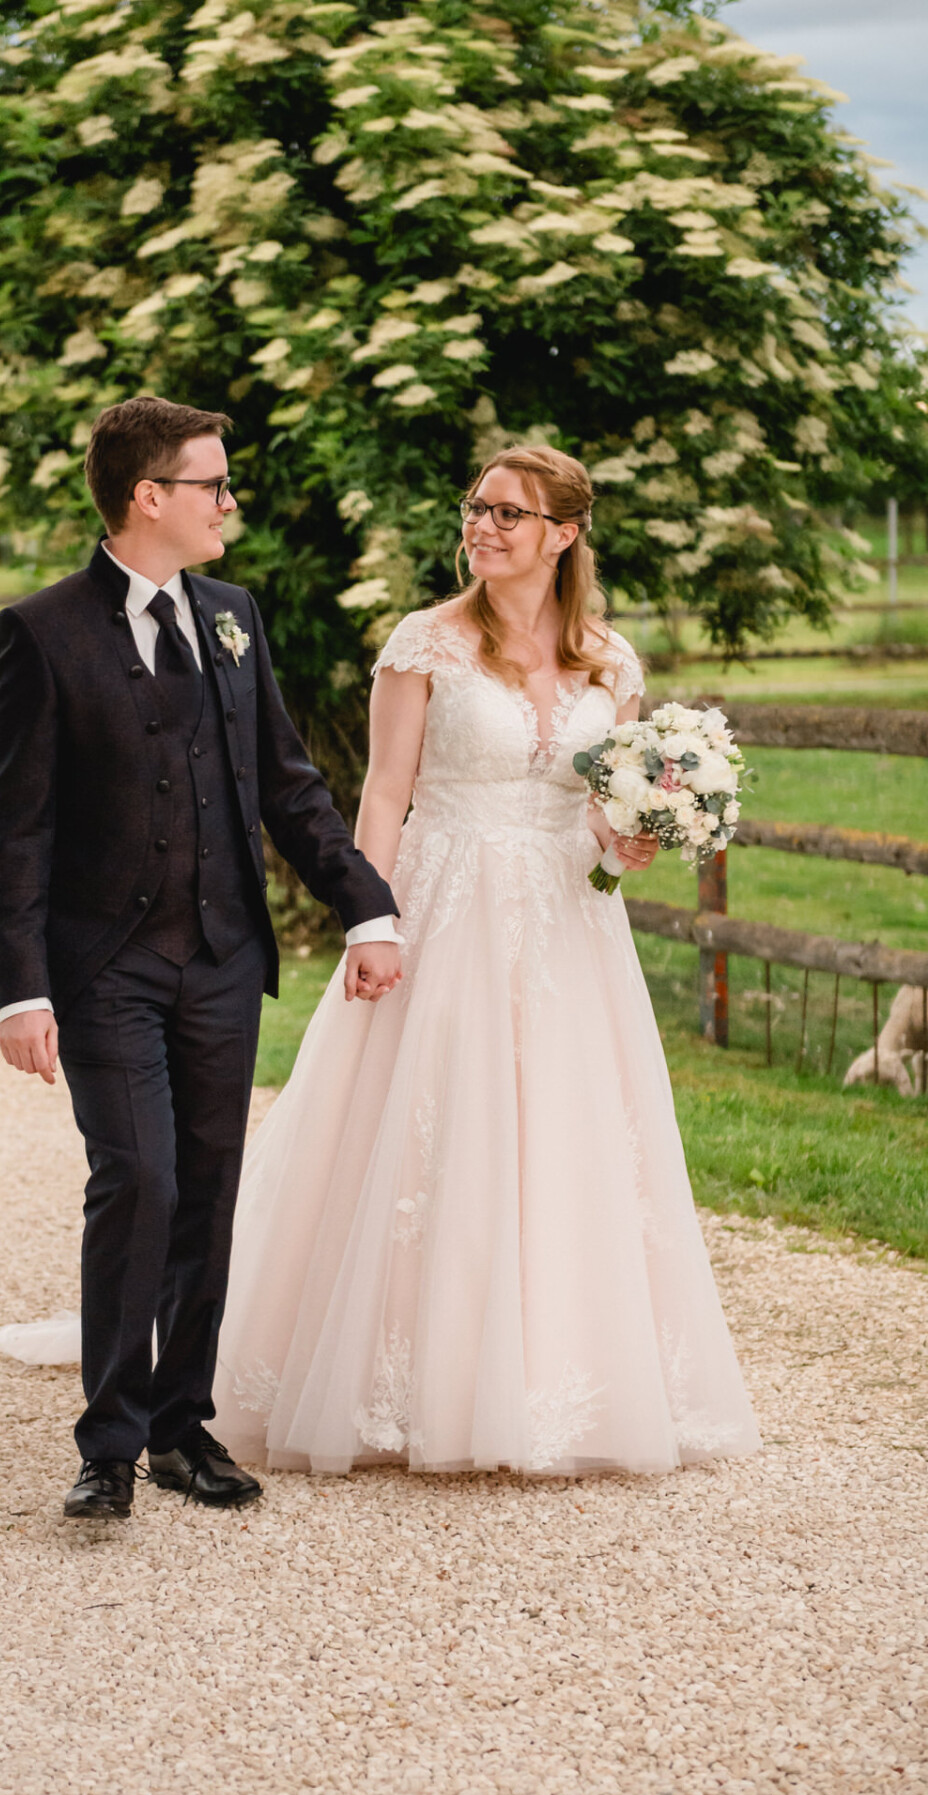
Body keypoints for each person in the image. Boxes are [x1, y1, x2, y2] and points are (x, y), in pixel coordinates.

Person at [210, 444, 761, 1476]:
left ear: (564, 534)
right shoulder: (426, 644)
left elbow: (600, 803)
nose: (485, 527)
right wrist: (369, 920)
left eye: (511, 514)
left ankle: (556, 1383)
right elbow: (382, 794)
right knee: (434, 1129)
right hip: (446, 903)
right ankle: (402, 1384)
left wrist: (630, 834)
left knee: (565, 1131)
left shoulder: (612, 661)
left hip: (566, 923)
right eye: (477, 509)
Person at [0, 397, 400, 1519]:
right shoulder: (42, 631)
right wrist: (18, 987)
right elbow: (13, 830)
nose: (230, 502)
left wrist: (368, 907)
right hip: (104, 965)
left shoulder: (232, 617)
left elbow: (289, 786)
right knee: (141, 1178)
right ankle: (107, 1443)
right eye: (212, 484)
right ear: (147, 496)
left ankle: (181, 1429)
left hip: (220, 957)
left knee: (208, 1190)